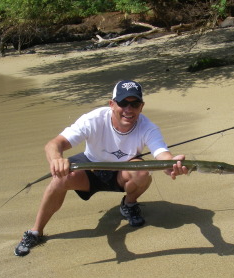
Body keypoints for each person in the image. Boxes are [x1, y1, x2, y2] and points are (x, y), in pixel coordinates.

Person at [15, 80, 188, 256]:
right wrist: (56, 159)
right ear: (112, 104)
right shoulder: (94, 119)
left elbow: (162, 155)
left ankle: (128, 205)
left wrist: (171, 164)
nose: (129, 109)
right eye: (123, 103)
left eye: (135, 104)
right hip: (91, 169)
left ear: (141, 107)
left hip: (122, 174)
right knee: (59, 179)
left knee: (142, 171)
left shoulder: (148, 128)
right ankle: (36, 231)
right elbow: (54, 144)